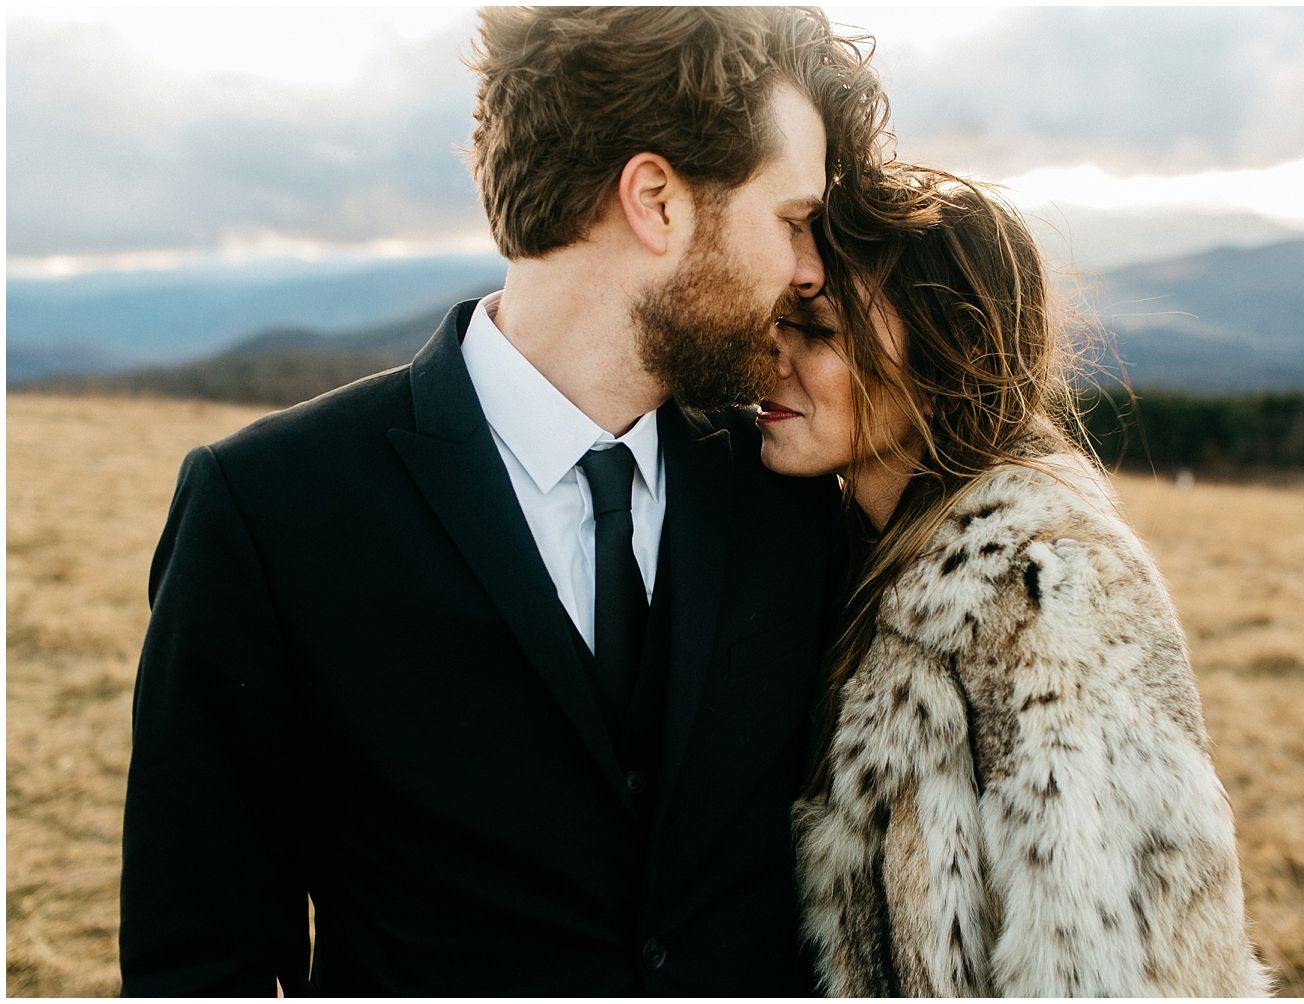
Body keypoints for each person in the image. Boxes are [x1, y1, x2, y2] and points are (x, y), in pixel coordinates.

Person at [119, 7, 888, 995]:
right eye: (791, 221)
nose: (811, 268)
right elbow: (199, 962)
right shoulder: (268, 511)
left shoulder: (787, 497)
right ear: (656, 199)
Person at [759, 166, 1272, 996]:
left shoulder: (1041, 589)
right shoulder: (853, 553)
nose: (770, 357)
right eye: (777, 320)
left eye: (816, 332)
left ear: (944, 359)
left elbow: (1110, 967)